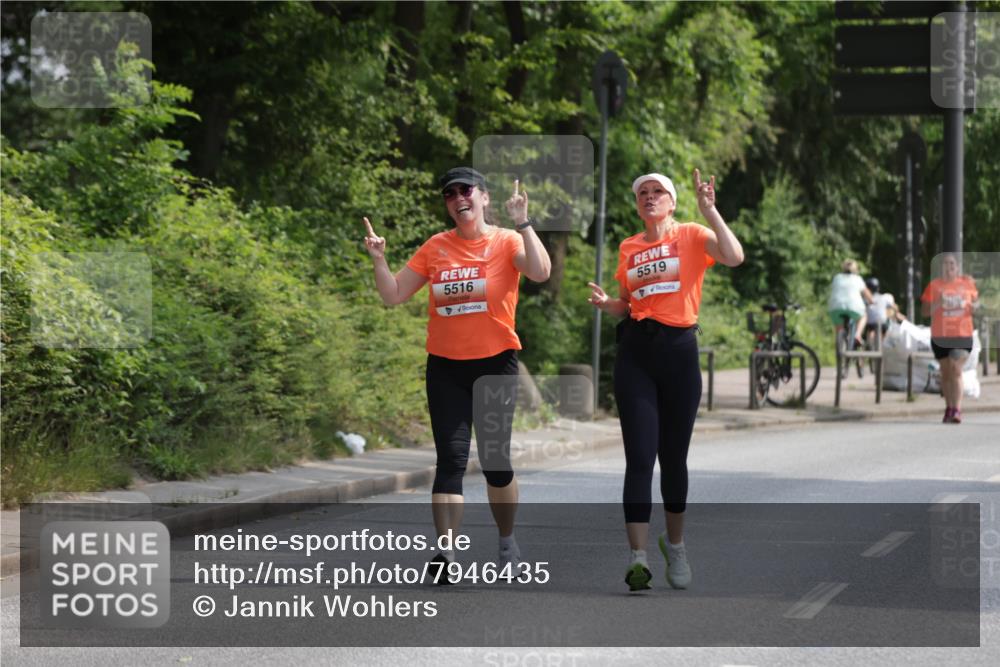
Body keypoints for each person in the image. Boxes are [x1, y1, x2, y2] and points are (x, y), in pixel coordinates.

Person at [363, 167, 551, 580]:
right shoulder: (436, 247)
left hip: (495, 365)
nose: (457, 198)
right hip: (446, 367)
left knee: (496, 463)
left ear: (484, 197)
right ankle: (446, 554)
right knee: (449, 459)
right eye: (449, 194)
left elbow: (540, 272)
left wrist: (524, 221)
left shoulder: (507, 240)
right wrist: (379, 260)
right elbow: (393, 295)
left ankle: (507, 543)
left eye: (465, 190)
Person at [587, 170, 743, 591]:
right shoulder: (629, 247)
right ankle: (637, 558)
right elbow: (628, 302)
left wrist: (710, 210)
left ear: (672, 202)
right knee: (639, 458)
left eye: (658, 192)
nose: (650, 197)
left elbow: (734, 256)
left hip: (679, 353)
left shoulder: (692, 235)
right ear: (637, 205)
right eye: (643, 193)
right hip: (637, 353)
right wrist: (610, 304)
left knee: (672, 459)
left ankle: (675, 545)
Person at [921, 253, 979, 424]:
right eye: (946, 264)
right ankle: (949, 407)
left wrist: (970, 306)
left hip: (962, 334)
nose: (949, 267)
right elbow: (924, 312)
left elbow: (977, 306)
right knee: (946, 373)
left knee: (956, 369)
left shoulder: (967, 284)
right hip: (940, 335)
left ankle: (957, 409)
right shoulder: (934, 286)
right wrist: (938, 303)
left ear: (958, 267)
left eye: (952, 264)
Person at [828, 259, 873, 348]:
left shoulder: (837, 277)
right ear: (855, 269)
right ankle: (858, 334)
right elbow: (867, 295)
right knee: (863, 316)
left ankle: (840, 344)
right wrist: (871, 301)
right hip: (854, 307)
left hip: (835, 307)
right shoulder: (857, 279)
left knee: (839, 327)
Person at [864, 277, 897, 345]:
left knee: (869, 329)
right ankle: (883, 344)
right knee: (885, 330)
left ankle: (869, 344)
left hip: (870, 323)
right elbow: (894, 307)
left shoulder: (865, 299)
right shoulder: (884, 297)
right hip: (882, 323)